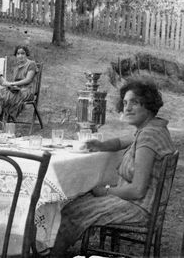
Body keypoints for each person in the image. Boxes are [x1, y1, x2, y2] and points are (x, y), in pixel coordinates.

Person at [50, 78, 176, 256]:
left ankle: (52, 253)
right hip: (145, 202)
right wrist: (101, 145)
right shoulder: (153, 129)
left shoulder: (148, 137)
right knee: (77, 203)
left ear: (148, 105)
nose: (127, 108)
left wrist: (106, 191)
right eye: (124, 103)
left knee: (72, 211)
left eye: (134, 102)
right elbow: (121, 142)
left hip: (139, 207)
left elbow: (137, 190)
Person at [0, 45, 37, 122]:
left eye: (23, 53)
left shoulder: (31, 64)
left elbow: (28, 80)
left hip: (27, 91)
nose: (20, 56)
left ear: (26, 54)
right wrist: (11, 86)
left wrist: (12, 84)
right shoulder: (17, 67)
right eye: (18, 54)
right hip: (17, 90)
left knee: (0, 95)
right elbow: (15, 84)